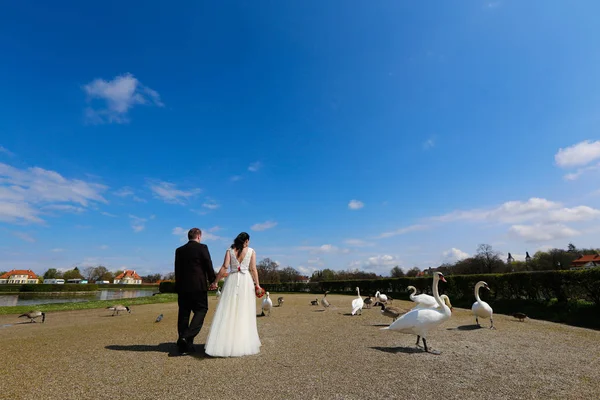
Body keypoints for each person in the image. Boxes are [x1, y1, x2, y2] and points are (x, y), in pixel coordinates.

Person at [205, 232, 263, 357]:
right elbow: (253, 269)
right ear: (246, 241)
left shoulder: (230, 250)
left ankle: (223, 344)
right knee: (244, 310)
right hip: (245, 281)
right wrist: (257, 285)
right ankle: (242, 343)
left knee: (227, 310)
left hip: (231, 280)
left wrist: (215, 281)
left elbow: (225, 267)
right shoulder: (251, 251)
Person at [174, 227, 216, 354]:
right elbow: (208, 264)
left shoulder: (179, 250)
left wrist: (178, 285)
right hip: (198, 286)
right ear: (199, 236)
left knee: (184, 314)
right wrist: (213, 281)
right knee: (201, 310)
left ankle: (184, 346)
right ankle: (186, 336)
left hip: (183, 287)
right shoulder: (202, 248)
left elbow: (177, 269)